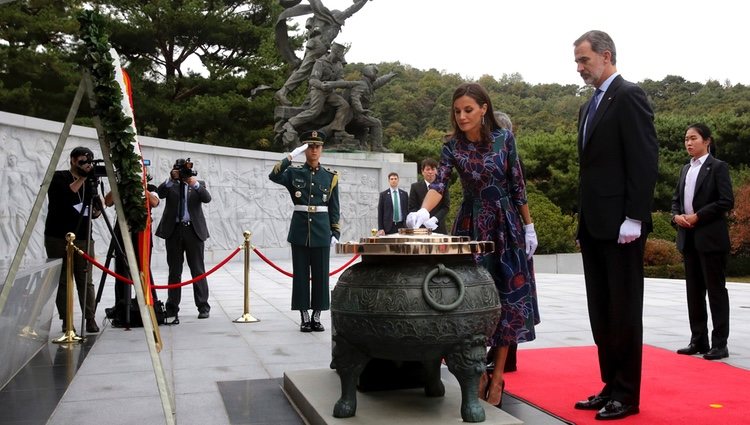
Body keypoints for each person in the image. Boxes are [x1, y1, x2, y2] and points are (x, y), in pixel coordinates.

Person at [406, 82, 540, 407]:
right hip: (470, 225)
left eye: (468, 109)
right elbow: (440, 182)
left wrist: (529, 226)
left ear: (484, 109)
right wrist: (423, 209)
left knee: (508, 299)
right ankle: (477, 371)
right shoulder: (452, 146)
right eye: (457, 111)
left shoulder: (504, 139)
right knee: (470, 299)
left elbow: (517, 185)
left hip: (505, 225)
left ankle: (497, 377)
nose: (462, 116)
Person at [571, 30, 659, 420]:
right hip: (593, 223)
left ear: (606, 56)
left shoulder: (629, 96)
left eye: (584, 60)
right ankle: (610, 385)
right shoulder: (589, 105)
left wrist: (635, 216)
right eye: (577, 61)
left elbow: (644, 159)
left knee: (623, 310)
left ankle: (627, 393)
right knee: (601, 310)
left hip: (622, 226)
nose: (579, 68)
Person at [671, 123, 734, 360]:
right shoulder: (684, 169)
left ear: (707, 140)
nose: (688, 143)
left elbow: (726, 201)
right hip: (688, 239)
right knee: (693, 292)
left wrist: (698, 216)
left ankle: (720, 343)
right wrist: (676, 216)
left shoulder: (718, 167)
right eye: (686, 139)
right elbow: (676, 200)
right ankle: (698, 339)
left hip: (711, 239)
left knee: (716, 291)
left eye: (693, 138)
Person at [269, 130, 341, 332]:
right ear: (305, 149)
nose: (314, 150)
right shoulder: (294, 172)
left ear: (322, 149)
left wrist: (335, 232)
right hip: (300, 230)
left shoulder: (330, 177)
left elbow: (334, 207)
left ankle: (317, 315)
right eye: (310, 146)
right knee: (301, 275)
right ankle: (304, 315)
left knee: (321, 275)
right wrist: (292, 155)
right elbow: (273, 175)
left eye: (317, 146)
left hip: (321, 230)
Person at [44, 146, 102, 333]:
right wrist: (83, 177)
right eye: (82, 162)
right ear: (72, 160)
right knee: (63, 280)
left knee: (85, 280)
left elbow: (97, 210)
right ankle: (66, 320)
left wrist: (96, 209)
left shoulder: (91, 181)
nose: (86, 165)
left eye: (89, 162)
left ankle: (90, 317)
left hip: (84, 237)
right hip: (58, 237)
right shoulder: (59, 177)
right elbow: (65, 197)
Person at [274, 0, 371, 106]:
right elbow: (352, 10)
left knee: (311, 72)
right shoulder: (335, 18)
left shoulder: (322, 21)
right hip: (319, 46)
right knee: (304, 70)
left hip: (316, 46)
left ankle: (309, 100)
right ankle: (283, 92)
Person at [155, 158, 212, 322]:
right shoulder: (170, 184)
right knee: (174, 270)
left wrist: (193, 183)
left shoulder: (197, 183)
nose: (183, 174)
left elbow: (207, 198)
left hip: (193, 231)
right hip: (174, 231)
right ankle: (172, 307)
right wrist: (171, 179)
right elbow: (159, 194)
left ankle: (203, 306)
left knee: (198, 269)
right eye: (180, 171)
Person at [104, 168, 161, 327]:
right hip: (122, 233)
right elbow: (107, 202)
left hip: (142, 235)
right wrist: (119, 186)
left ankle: (149, 304)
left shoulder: (151, 188)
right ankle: (122, 307)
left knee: (144, 269)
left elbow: (155, 202)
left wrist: (141, 187)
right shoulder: (121, 188)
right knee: (121, 271)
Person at [282, 43, 352, 142]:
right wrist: (321, 85)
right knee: (314, 111)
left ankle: (338, 129)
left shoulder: (339, 65)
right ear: (336, 52)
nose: (342, 57)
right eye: (341, 54)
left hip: (329, 92)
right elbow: (313, 80)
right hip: (317, 90)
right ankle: (290, 123)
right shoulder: (320, 62)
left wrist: (339, 83)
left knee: (344, 105)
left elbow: (341, 79)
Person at [408, 158, 450, 234]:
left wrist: (435, 219)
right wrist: (419, 218)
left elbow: (445, 207)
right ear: (422, 171)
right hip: (421, 228)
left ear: (436, 171)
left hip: (438, 227)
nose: (430, 172)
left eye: (433, 169)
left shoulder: (442, 186)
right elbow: (412, 207)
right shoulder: (415, 187)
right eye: (428, 169)